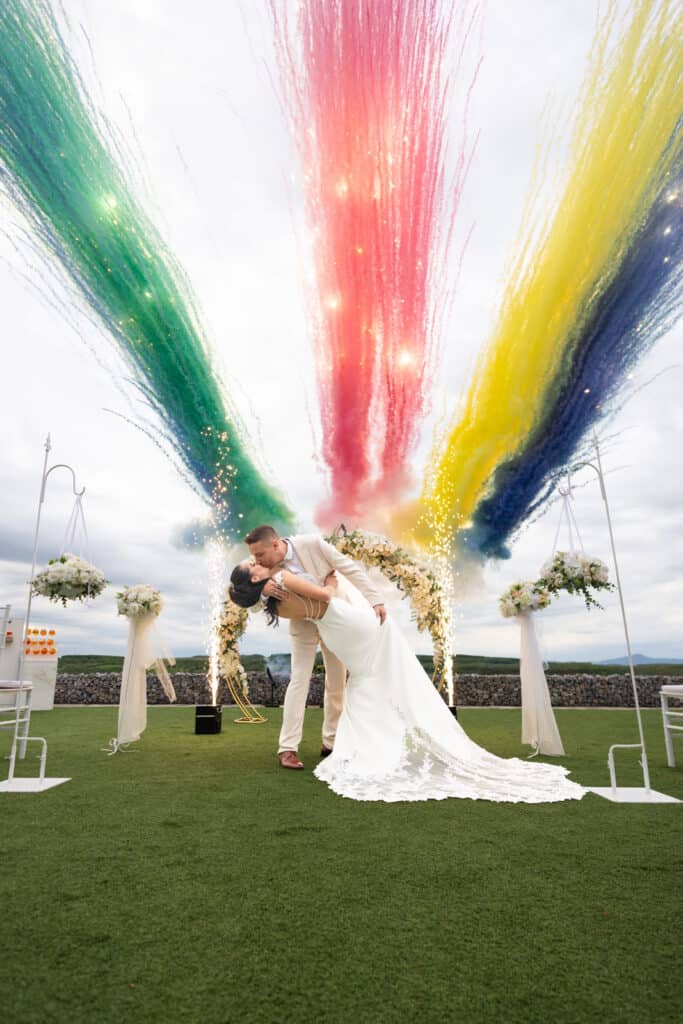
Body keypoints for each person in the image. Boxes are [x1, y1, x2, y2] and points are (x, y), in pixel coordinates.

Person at [228, 563, 585, 804]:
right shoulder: (282, 580)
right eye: (253, 566)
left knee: (357, 682)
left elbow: (303, 601)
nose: (257, 562)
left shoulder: (277, 594)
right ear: (255, 579)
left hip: (336, 630)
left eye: (256, 560)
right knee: (360, 675)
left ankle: (352, 743)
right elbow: (326, 593)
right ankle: (334, 745)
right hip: (342, 620)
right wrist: (330, 576)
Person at [242, 525, 386, 770]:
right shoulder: (262, 567)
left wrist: (375, 599)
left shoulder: (313, 544)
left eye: (260, 555)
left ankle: (331, 742)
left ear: (276, 544)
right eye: (254, 556)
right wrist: (261, 589)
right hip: (303, 623)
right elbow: (248, 602)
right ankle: (287, 748)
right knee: (299, 680)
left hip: (335, 618)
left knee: (337, 680)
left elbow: (348, 567)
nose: (256, 560)